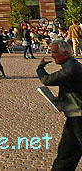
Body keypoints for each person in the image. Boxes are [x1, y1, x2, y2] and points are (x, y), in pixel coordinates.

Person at [37, 40, 82, 170]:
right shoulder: (73, 66)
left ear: (66, 54)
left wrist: (40, 68)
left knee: (67, 154)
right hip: (75, 115)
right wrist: (61, 99)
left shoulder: (70, 69)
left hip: (78, 117)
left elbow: (47, 80)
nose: (52, 55)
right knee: (66, 154)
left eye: (55, 52)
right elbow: (74, 90)